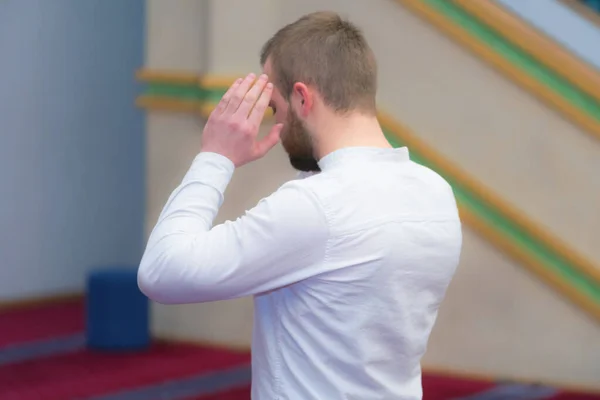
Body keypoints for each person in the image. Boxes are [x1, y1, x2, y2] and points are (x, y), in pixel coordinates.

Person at [138, 11, 462, 400]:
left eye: (275, 107)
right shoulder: (435, 192)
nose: (273, 124)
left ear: (303, 97)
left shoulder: (316, 207)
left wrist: (215, 156)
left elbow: (161, 272)